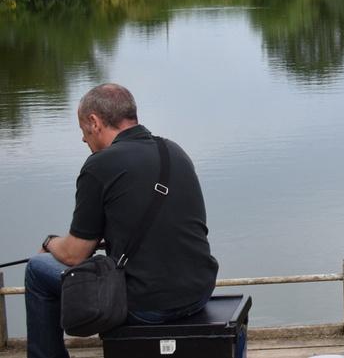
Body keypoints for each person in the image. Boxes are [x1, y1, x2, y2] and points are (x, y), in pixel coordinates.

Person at [25, 83, 219, 358]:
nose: (83, 140)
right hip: (198, 292)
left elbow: (74, 255)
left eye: (82, 130)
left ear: (94, 122)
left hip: (146, 306)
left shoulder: (99, 165)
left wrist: (50, 242)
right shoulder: (173, 151)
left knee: (37, 269)